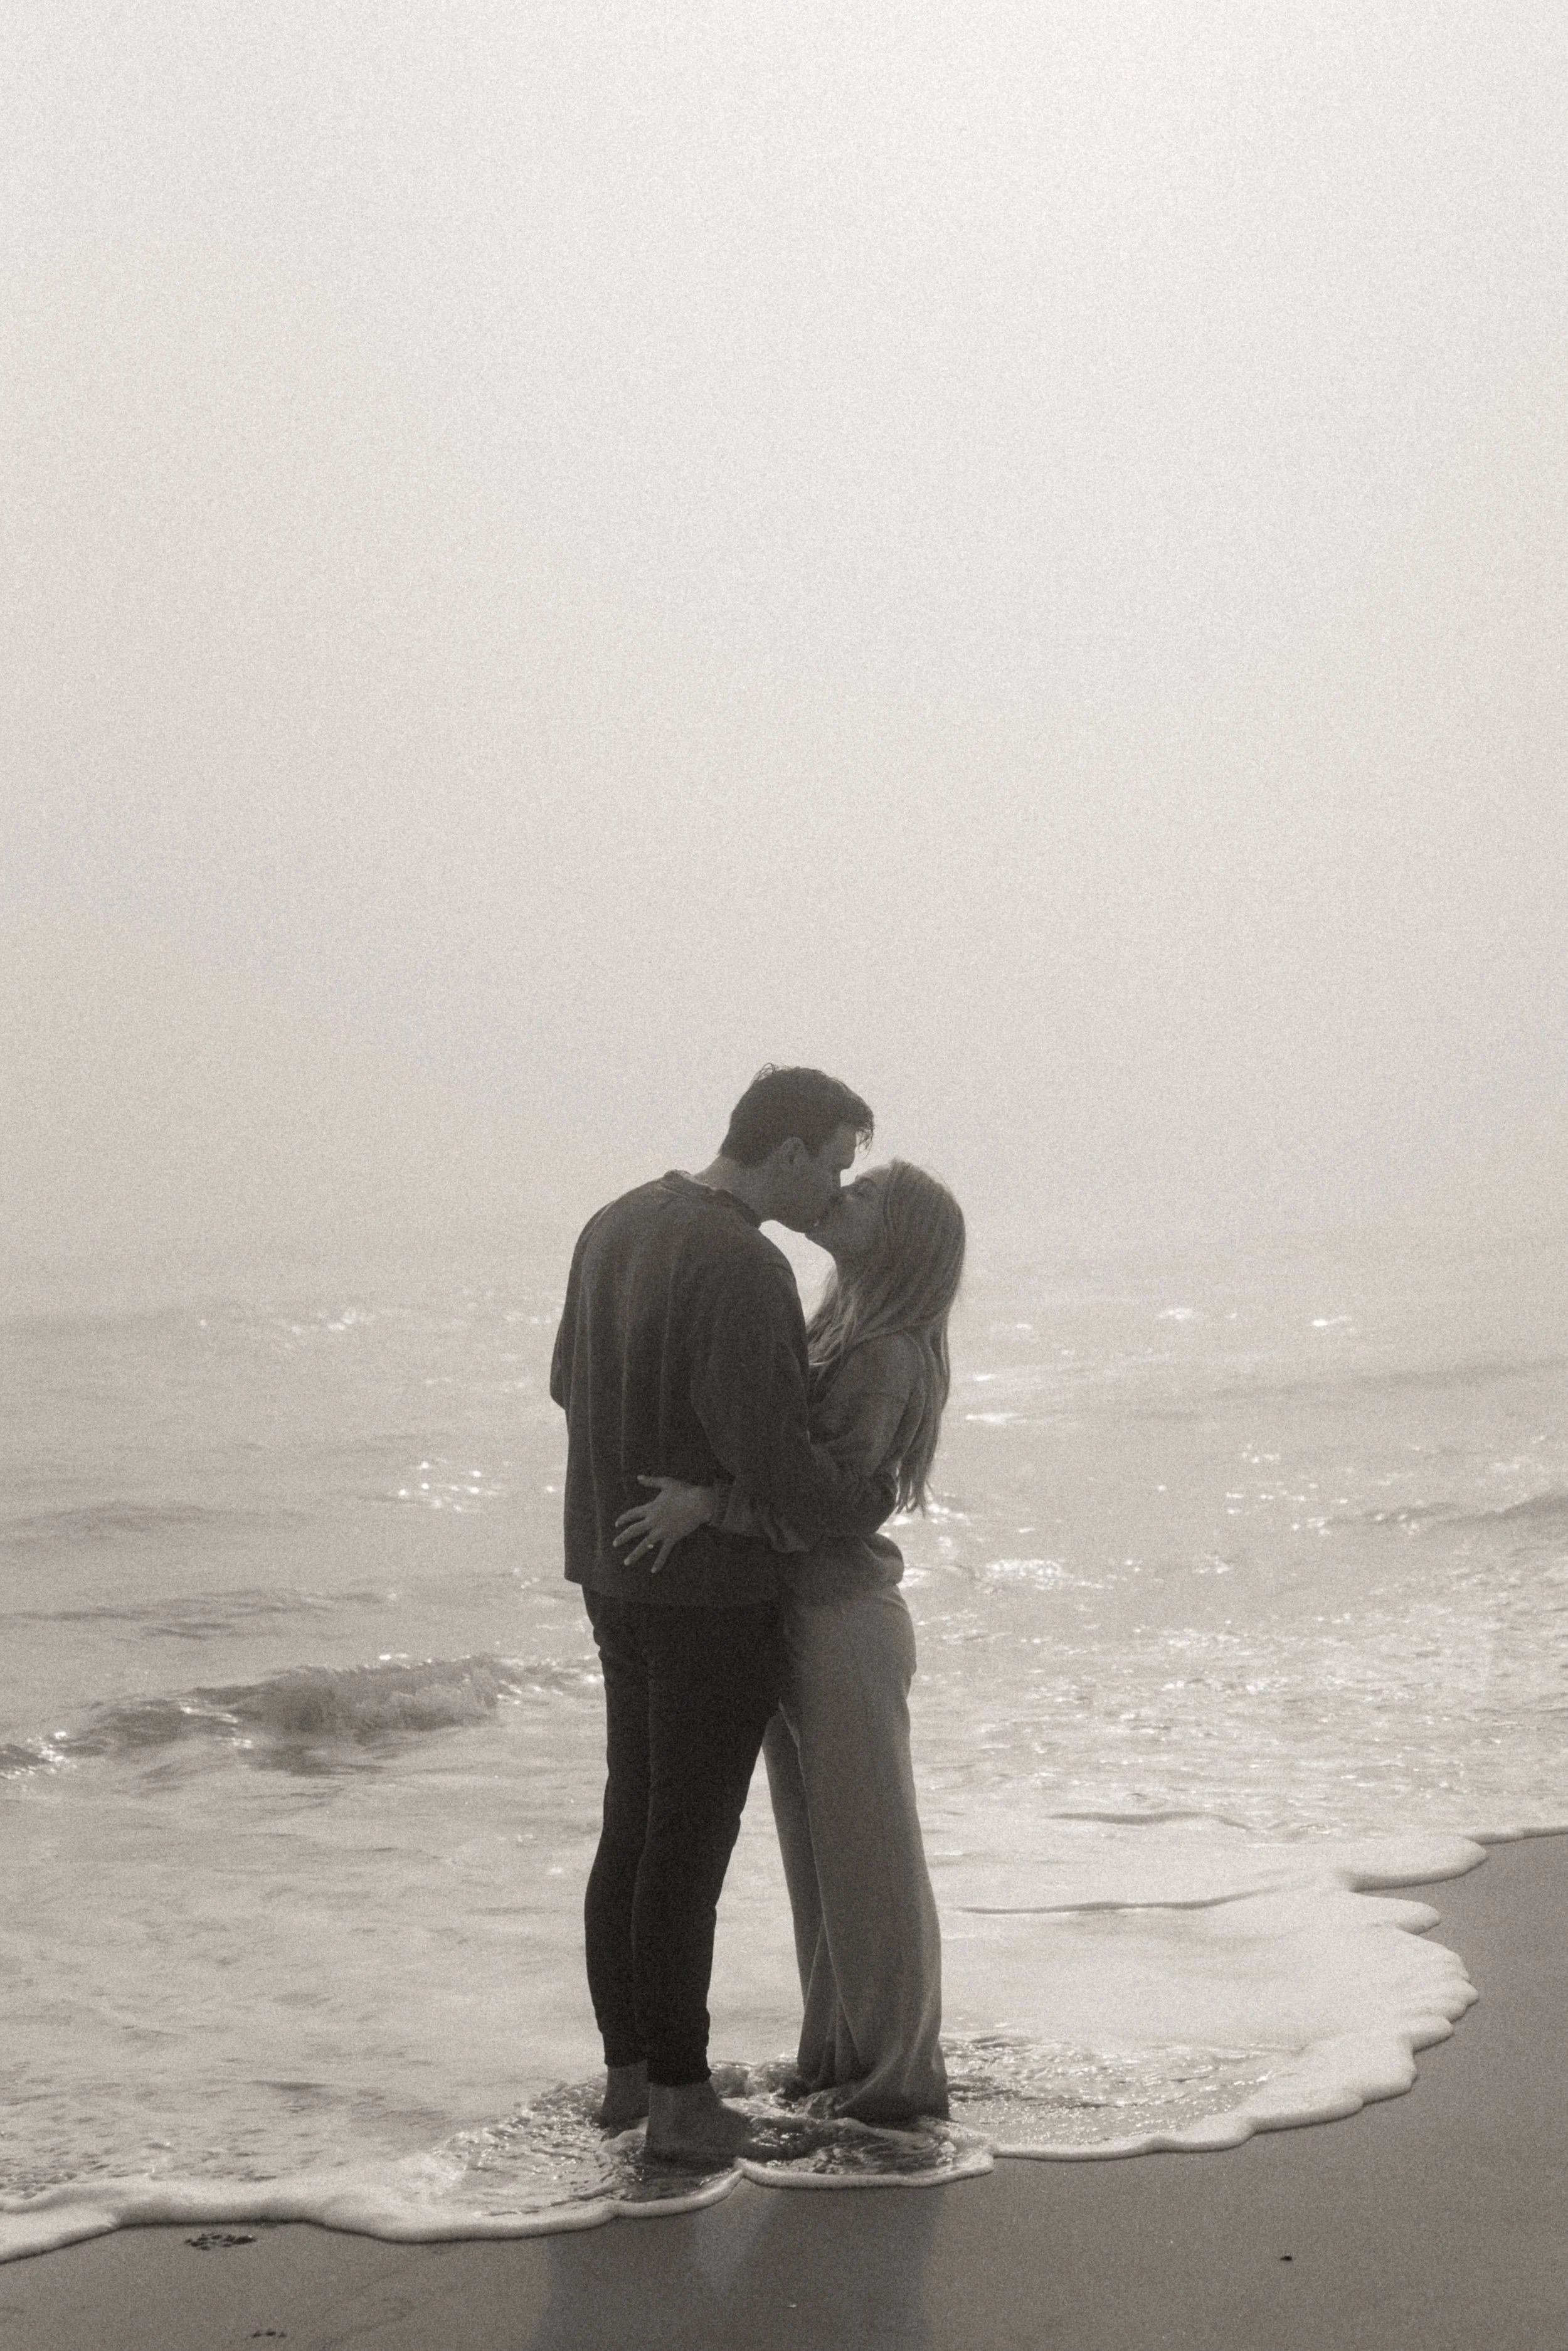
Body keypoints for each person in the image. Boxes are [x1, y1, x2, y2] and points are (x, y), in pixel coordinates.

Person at [549, 1066, 898, 2168]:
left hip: (610, 1569)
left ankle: (629, 2079)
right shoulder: (744, 1263)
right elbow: (777, 1460)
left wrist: (658, 1452)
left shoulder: (614, 1222)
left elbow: (566, 1384)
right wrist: (870, 1499)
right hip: (705, 1592)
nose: (832, 1193)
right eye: (832, 1166)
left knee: (633, 1822)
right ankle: (683, 2102)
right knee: (688, 1846)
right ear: (787, 1152)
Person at [613, 1158, 965, 2126]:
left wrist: (707, 1508)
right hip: (797, 1614)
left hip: (843, 1620)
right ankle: (837, 2061)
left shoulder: (885, 1351)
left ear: (900, 1240)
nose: (840, 1195)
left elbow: (829, 1505)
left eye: (866, 1195)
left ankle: (898, 2077)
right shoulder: (840, 1325)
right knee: (823, 1863)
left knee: (871, 1862)